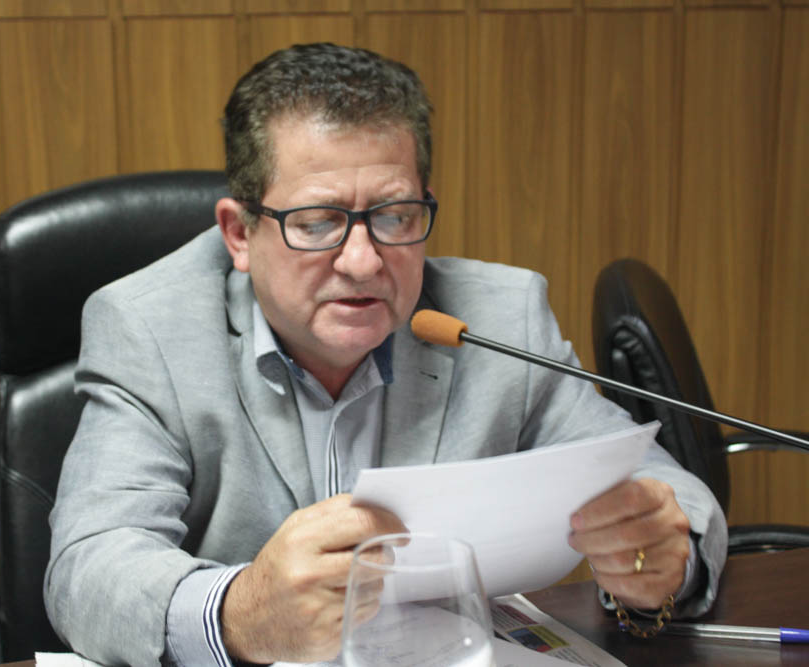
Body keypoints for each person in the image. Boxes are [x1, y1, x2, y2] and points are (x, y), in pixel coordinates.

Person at [45, 43, 726, 666]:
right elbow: (88, 568)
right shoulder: (150, 328)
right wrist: (240, 612)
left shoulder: (498, 318)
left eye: (395, 216)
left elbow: (659, 487)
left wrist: (663, 555)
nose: (364, 260)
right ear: (240, 234)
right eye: (318, 222)